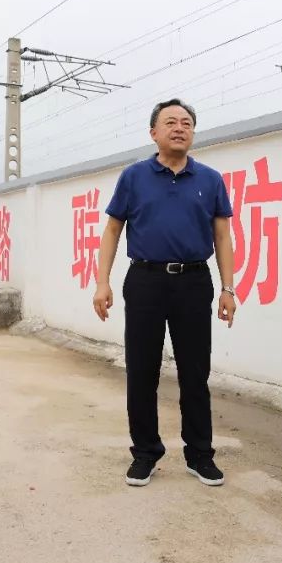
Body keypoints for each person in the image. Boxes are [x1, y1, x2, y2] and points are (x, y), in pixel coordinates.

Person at [93, 99, 236, 488]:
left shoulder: (210, 179)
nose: (179, 128)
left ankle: (200, 455)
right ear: (153, 132)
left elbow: (223, 236)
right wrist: (102, 281)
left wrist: (228, 288)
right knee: (142, 370)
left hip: (194, 282)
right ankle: (145, 453)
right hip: (145, 280)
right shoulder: (134, 177)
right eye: (170, 122)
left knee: (195, 372)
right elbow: (112, 230)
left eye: (186, 122)